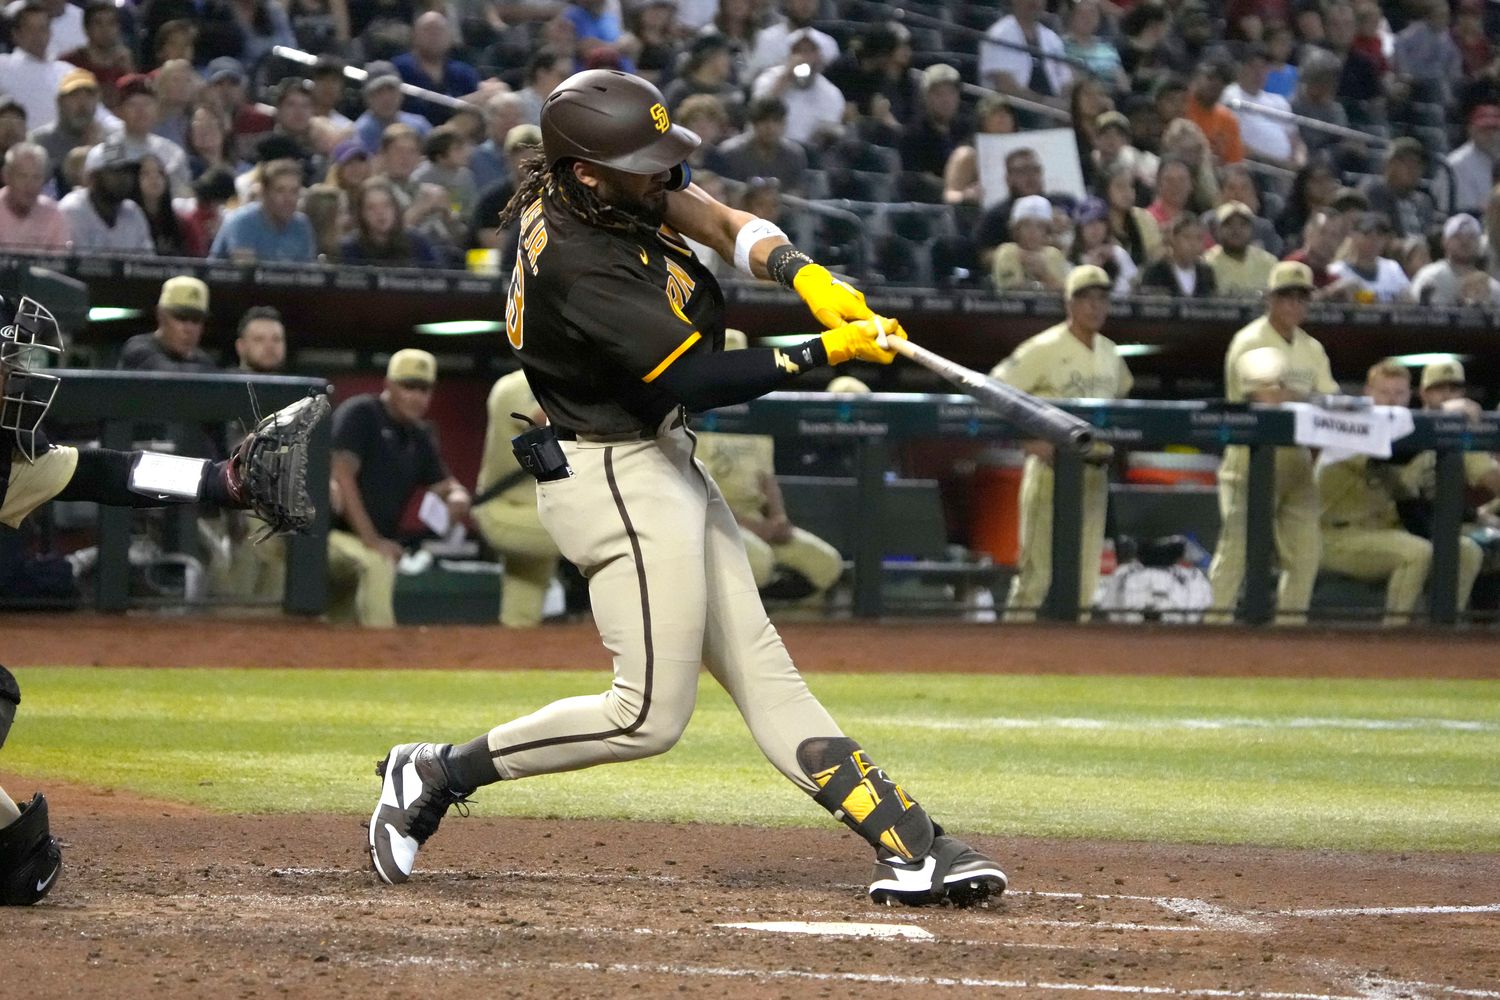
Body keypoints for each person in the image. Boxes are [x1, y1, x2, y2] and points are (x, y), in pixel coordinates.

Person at [365, 70, 1006, 909]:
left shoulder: (603, 188)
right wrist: (827, 351)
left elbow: (710, 213)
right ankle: (435, 773)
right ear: (587, 170)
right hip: (613, 475)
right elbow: (699, 379)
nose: (663, 173)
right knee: (646, 717)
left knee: (765, 671)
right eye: (643, 160)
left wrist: (800, 271)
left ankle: (918, 847)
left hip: (657, 458)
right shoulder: (577, 260)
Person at [990, 265, 1132, 623]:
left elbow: (1124, 402)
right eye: (1087, 298)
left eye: (1102, 298)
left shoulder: (1111, 353)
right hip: (1051, 474)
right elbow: (994, 392)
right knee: (1035, 579)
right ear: (1069, 302)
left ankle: (1074, 664)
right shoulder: (1044, 347)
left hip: (1094, 476)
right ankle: (1009, 657)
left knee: (1085, 580)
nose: (1096, 306)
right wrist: (1030, 441)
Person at [1206, 262, 1338, 625]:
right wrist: (1306, 396)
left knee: (1306, 553)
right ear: (1270, 299)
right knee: (1237, 551)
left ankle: (1288, 633)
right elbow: (1268, 396)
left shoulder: (1312, 348)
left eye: (1302, 297)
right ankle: (1211, 630)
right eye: (1287, 296)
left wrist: (1304, 396)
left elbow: (1331, 401)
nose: (1295, 304)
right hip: (1251, 460)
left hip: (1296, 462)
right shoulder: (1250, 340)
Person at [1317, 360, 1484, 625]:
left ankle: (1443, 631)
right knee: (1416, 552)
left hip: (1383, 533)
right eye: (1384, 393)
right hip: (1335, 536)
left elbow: (1409, 503)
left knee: (1465, 550)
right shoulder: (1351, 422)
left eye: (1399, 394)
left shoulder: (1406, 431)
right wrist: (1442, 414)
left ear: (1409, 396)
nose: (1392, 401)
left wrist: (1462, 525)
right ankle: (1395, 636)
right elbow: (1390, 454)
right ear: (1368, 394)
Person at [692, 331, 844, 604]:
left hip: (755, 520)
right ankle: (726, 615)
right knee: (759, 562)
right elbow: (694, 493)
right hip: (709, 521)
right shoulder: (693, 416)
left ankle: (770, 614)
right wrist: (747, 525)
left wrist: (779, 518)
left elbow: (767, 480)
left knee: (826, 564)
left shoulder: (756, 413)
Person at [328, 349, 469, 628]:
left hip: (361, 544)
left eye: (424, 389)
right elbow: (342, 476)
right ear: (389, 385)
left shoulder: (418, 436)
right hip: (326, 535)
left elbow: (446, 485)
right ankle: (384, 652)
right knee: (377, 563)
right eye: (408, 387)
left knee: (338, 623)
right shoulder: (362, 413)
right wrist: (371, 540)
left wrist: (458, 497)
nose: (417, 397)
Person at [208, 305, 291, 601]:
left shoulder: (293, 394)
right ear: (240, 346)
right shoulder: (224, 387)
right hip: (228, 500)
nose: (269, 346)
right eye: (260, 339)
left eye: (276, 339)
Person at [471, 369, 563, 628]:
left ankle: (510, 659)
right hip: (506, 509)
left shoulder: (559, 379)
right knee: (612, 532)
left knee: (521, 616)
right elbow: (544, 418)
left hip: (535, 511)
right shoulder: (518, 384)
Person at [209, 159, 316, 262]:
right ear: (264, 192)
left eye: (294, 191)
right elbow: (245, 272)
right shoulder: (242, 221)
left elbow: (306, 272)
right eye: (280, 190)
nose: (288, 199)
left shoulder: (301, 224)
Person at [57, 139, 154, 253]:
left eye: (128, 171)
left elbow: (147, 264)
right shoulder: (72, 210)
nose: (125, 178)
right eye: (115, 172)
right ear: (92, 178)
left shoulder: (133, 212)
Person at [980, 0, 1071, 112]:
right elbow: (1005, 86)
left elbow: (1066, 81)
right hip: (1012, 111)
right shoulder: (998, 34)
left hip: (1054, 113)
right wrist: (1045, 103)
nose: (1035, 2)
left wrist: (1063, 103)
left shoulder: (1052, 38)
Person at [109, 74, 192, 198]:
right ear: (119, 111)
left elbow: (185, 197)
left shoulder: (172, 152)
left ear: (157, 108)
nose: (141, 110)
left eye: (147, 103)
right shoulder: (111, 148)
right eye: (132, 104)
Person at [712, 96, 806, 194]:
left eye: (776, 121)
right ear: (753, 123)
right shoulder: (731, 153)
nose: (770, 127)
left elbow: (797, 194)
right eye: (764, 121)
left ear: (784, 124)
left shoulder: (794, 155)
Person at [28, 68, 109, 173]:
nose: (82, 104)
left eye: (89, 96)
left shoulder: (110, 138)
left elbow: (117, 179)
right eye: (74, 96)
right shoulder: (40, 141)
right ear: (60, 102)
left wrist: (98, 150)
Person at [1410, 214, 1500, 307]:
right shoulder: (1430, 276)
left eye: (1471, 236)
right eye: (1457, 236)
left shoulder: (1491, 286)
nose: (1465, 241)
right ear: (1444, 240)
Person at [1328, 212, 1411, 303]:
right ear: (1354, 236)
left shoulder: (1392, 267)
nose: (1374, 240)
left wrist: (1367, 298)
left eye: (1380, 235)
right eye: (1367, 234)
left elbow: (1410, 300)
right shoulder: (1336, 270)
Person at [991, 194, 1068, 292]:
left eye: (1039, 226)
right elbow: (1008, 289)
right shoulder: (1007, 251)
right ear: (1017, 229)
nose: (1033, 232)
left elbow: (1064, 291)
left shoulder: (1054, 255)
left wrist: (1044, 274)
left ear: (1047, 231)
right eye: (1026, 225)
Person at [0, 143, 70, 251]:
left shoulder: (54, 214)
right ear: (6, 176)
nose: (30, 185)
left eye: (36, 177)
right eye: (22, 176)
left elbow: (60, 263)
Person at [1205, 201, 1279, 296]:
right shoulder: (1207, 264)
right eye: (1228, 224)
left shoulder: (1269, 262)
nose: (1236, 230)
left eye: (1243, 224)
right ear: (1217, 230)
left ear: (1252, 229)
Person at [1139, 213, 1216, 298]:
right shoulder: (1156, 271)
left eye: (1199, 238)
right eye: (1187, 237)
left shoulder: (1205, 273)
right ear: (1173, 239)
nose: (1193, 244)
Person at [353, 74, 431, 155]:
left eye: (391, 90)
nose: (386, 98)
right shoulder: (360, 132)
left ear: (401, 95)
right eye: (379, 92)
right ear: (368, 99)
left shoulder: (419, 124)